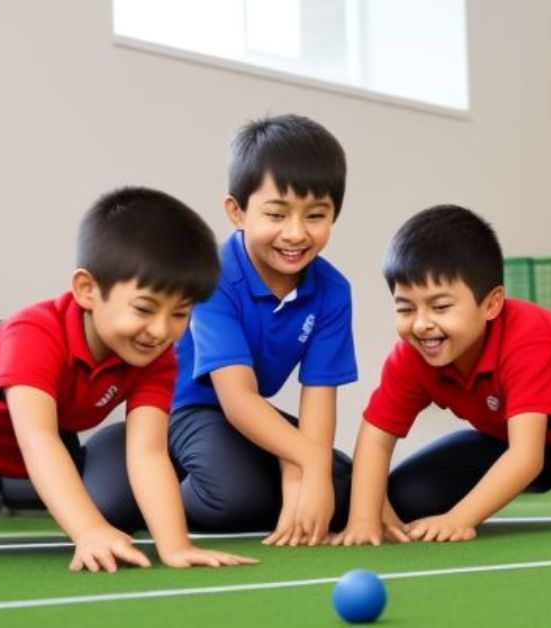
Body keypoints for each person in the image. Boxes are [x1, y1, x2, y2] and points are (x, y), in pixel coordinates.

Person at [0, 187, 255, 571]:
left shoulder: (156, 359)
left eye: (179, 314)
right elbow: (37, 437)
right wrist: (89, 530)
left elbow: (148, 453)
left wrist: (176, 547)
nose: (159, 330)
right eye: (144, 308)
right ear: (87, 290)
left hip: (7, 446)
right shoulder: (35, 333)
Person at [86, 114, 356, 547]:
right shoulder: (213, 277)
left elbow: (318, 401)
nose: (295, 233)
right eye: (276, 213)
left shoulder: (334, 290)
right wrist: (311, 462)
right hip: (187, 408)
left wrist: (303, 479)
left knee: (345, 486)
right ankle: (132, 463)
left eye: (315, 216)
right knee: (234, 498)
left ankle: (241, 480)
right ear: (237, 211)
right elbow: (238, 400)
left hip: (244, 420)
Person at [333, 205, 551, 545]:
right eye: (405, 308)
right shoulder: (413, 353)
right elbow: (376, 438)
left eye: (440, 307)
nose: (421, 323)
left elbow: (526, 457)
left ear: (491, 304)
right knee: (407, 495)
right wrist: (364, 518)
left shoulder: (528, 338)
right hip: (512, 437)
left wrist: (459, 519)